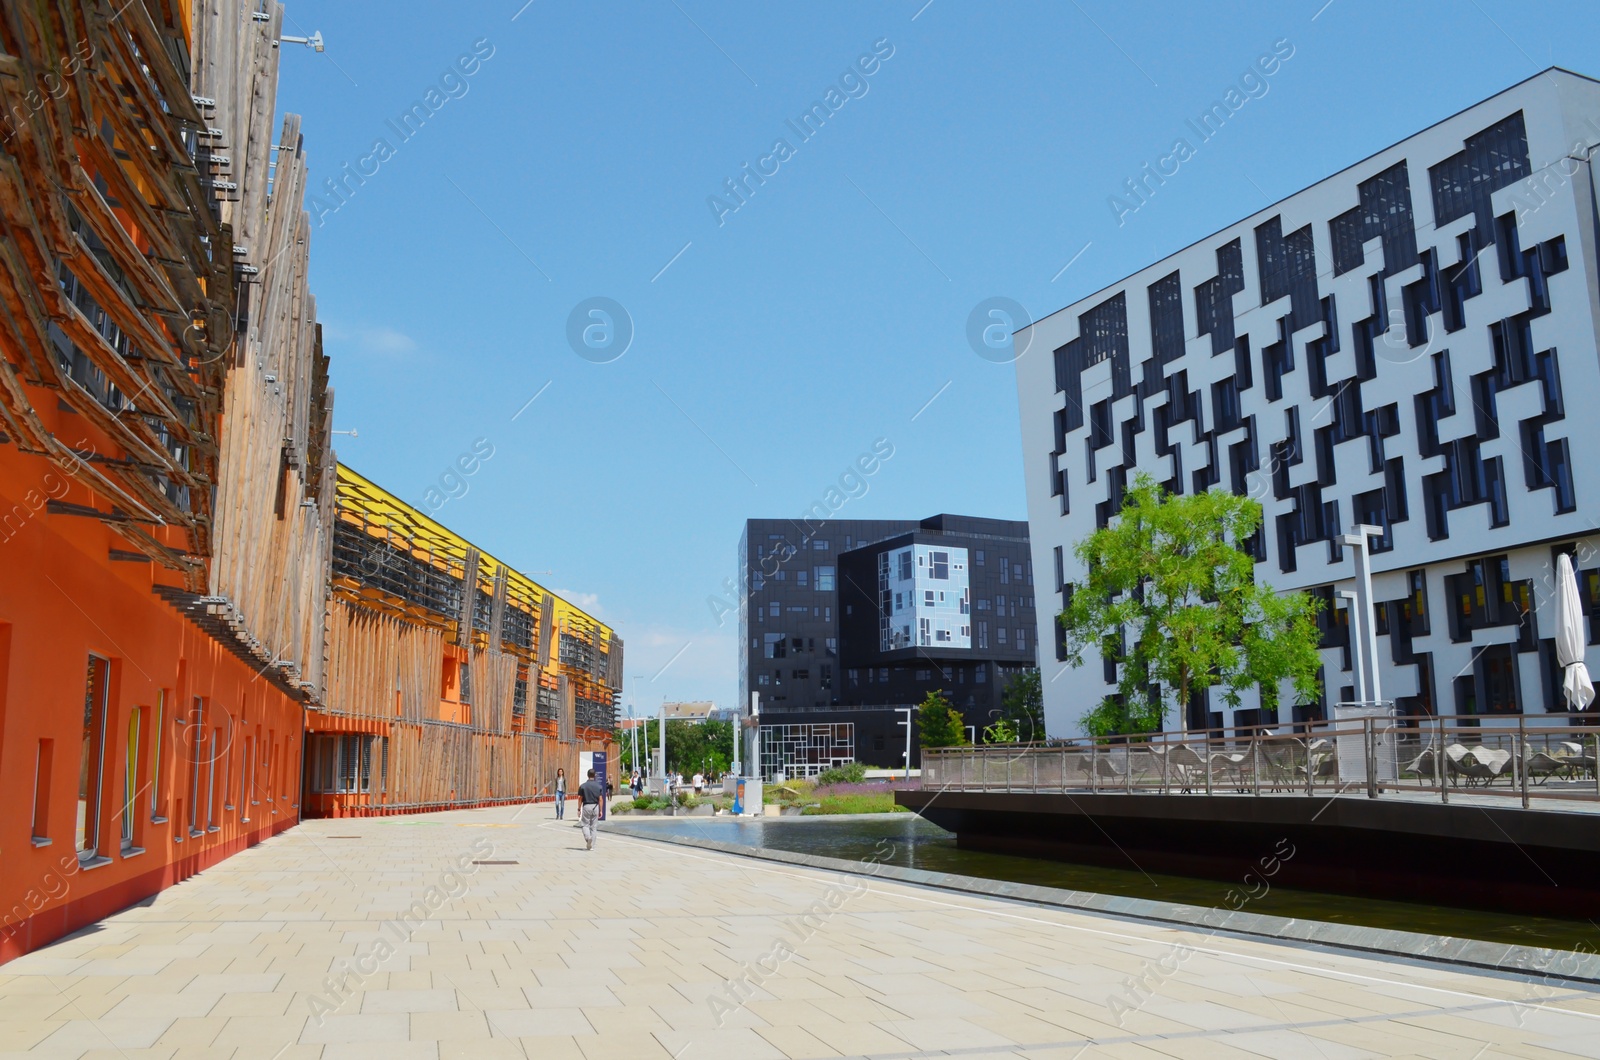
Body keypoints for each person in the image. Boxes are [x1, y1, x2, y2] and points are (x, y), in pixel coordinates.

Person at [578, 768, 606, 849]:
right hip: (595, 806)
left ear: (587, 775)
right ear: (595, 775)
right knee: (593, 827)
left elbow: (580, 798)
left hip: (586, 806)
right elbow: (600, 799)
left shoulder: (583, 786)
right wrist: (601, 810)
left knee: (585, 825)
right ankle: (592, 846)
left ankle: (588, 838)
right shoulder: (599, 786)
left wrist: (579, 809)